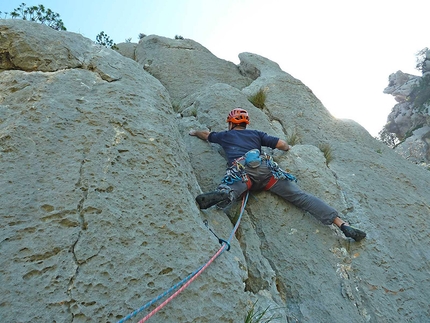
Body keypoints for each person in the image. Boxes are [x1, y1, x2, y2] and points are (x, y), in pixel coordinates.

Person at [189, 108, 366, 242]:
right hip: (267, 174)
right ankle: (342, 224)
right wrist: (288, 148)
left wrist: (194, 132)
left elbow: (206, 135)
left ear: (230, 123)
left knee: (231, 189)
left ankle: (224, 194)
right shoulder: (256, 134)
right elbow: (282, 144)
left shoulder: (225, 135)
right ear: (245, 123)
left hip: (244, 174)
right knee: (302, 197)